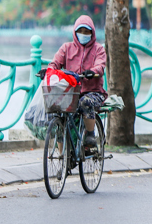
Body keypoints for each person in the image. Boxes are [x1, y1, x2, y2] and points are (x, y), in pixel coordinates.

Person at [46, 15, 107, 149]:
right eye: (80, 31)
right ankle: (62, 154)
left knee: (85, 102)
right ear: (75, 32)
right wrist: (48, 70)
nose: (83, 34)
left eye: (86, 31)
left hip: (93, 92)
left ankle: (90, 135)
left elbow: (100, 66)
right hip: (71, 93)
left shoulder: (98, 49)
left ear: (92, 33)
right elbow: (55, 63)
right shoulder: (66, 48)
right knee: (58, 110)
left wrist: (93, 71)